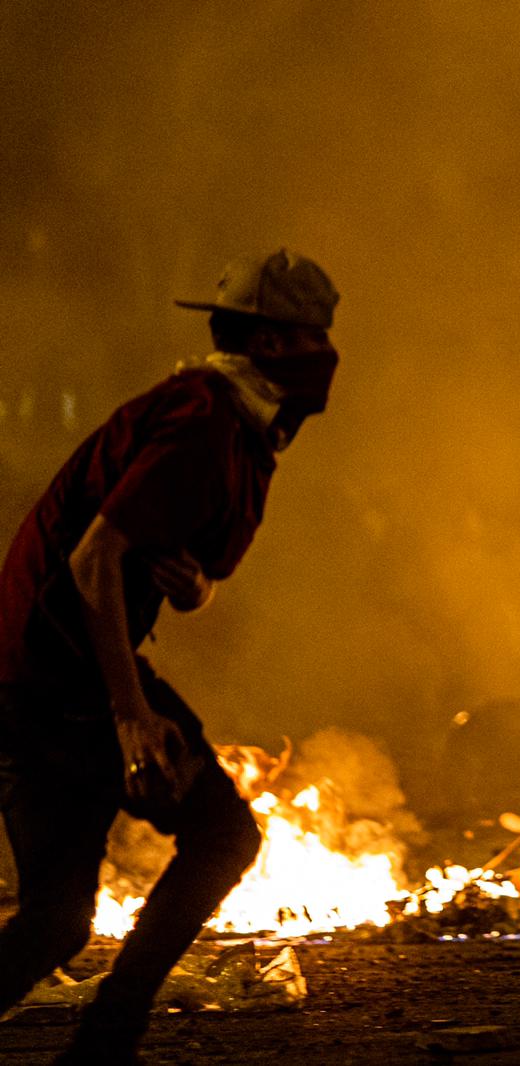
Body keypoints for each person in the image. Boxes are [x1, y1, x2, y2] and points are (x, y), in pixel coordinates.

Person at [0, 249, 341, 1062]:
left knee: (55, 919)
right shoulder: (203, 422)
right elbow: (93, 560)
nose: (323, 355)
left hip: (28, 677)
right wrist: (130, 714)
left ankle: (105, 1042)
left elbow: (143, 555)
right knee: (224, 837)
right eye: (305, 338)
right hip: (62, 683)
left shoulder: (222, 419)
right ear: (265, 342)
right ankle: (109, 1037)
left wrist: (195, 590)